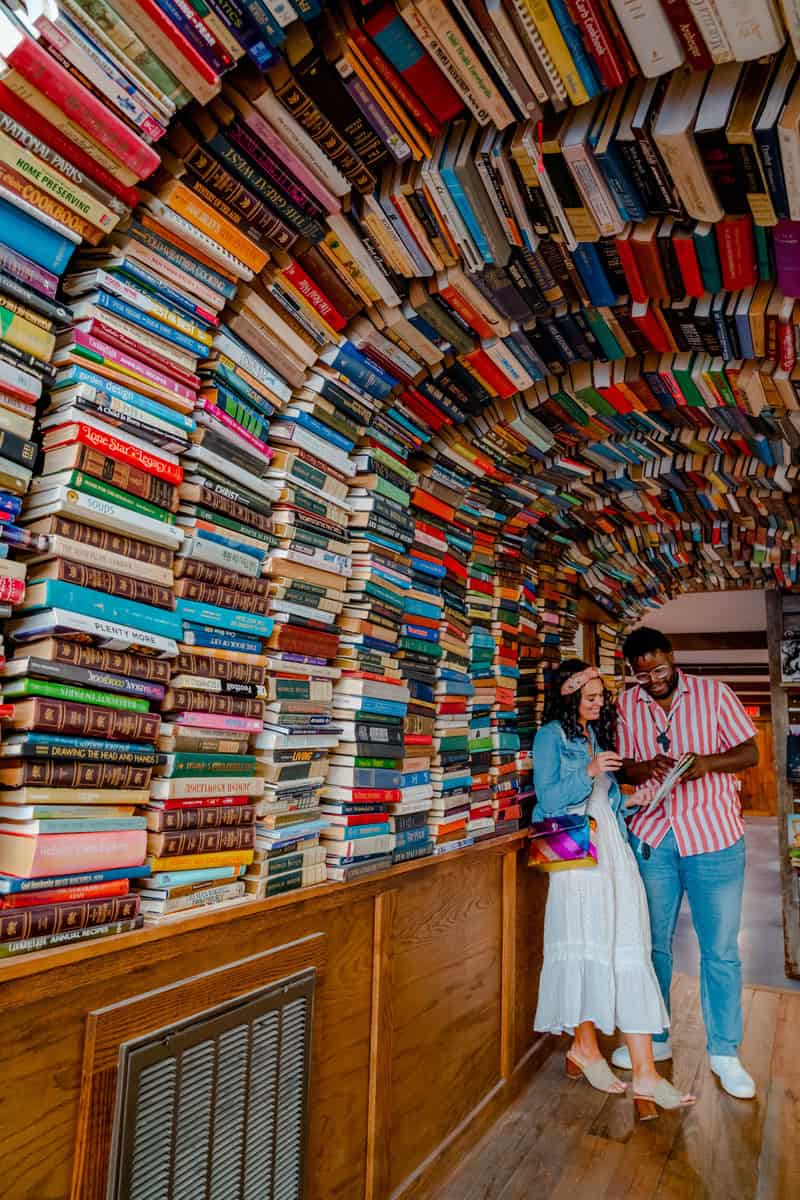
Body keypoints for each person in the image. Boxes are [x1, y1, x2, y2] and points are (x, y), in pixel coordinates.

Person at [533, 659, 695, 1119]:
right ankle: (587, 1051)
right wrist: (587, 770)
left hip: (612, 848)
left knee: (627, 947)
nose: (598, 700)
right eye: (590, 693)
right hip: (575, 855)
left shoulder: (595, 737)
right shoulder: (551, 736)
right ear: (567, 693)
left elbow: (606, 803)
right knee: (587, 948)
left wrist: (638, 798)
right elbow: (547, 799)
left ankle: (643, 1071)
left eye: (601, 694)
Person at [614, 627, 759, 1100]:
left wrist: (706, 764)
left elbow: (750, 752)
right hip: (653, 837)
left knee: (720, 950)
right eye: (640, 674)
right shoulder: (626, 704)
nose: (651, 680)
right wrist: (645, 766)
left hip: (714, 838)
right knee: (652, 944)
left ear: (672, 658)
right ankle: (654, 1038)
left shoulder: (715, 694)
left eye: (657, 669)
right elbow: (623, 768)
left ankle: (724, 1051)